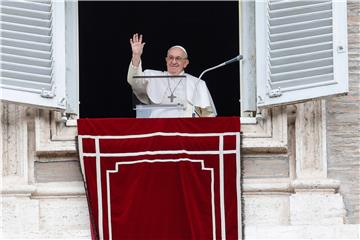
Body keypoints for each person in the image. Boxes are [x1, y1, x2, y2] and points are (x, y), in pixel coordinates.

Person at [127, 33, 217, 118]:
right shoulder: (152, 76)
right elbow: (134, 82)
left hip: (185, 129)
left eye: (178, 58)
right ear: (166, 60)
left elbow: (207, 116)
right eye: (170, 58)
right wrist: (136, 55)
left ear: (185, 63)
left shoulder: (197, 83)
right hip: (157, 128)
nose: (173, 61)